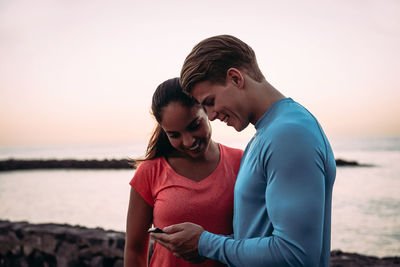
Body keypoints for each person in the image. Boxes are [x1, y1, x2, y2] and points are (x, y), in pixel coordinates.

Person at [150, 35, 336, 267]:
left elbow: (294, 254)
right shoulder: (266, 134)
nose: (211, 116)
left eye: (210, 101)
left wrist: (206, 243)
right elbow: (257, 237)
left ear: (235, 78)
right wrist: (204, 246)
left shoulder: (289, 135)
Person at [123, 77, 243, 267]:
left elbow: (259, 235)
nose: (188, 142)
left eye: (194, 126)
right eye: (174, 135)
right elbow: (134, 250)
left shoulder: (242, 162)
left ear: (207, 111)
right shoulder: (149, 172)